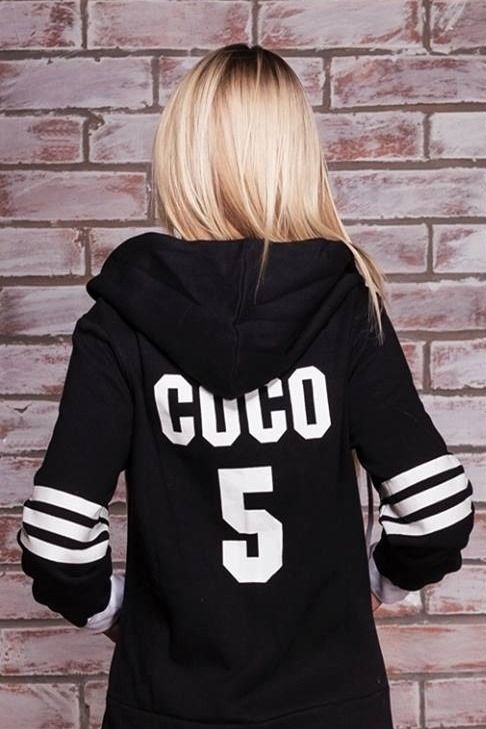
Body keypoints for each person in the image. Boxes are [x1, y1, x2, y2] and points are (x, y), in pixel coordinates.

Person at [16, 43, 475, 729]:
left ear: (181, 156)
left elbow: (57, 539)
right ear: (295, 158)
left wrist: (116, 615)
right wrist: (379, 584)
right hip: (332, 705)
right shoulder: (346, 308)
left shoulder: (120, 317)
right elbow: (435, 512)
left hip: (164, 705)